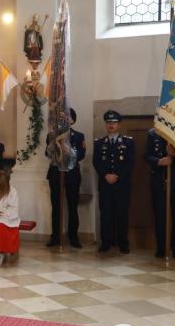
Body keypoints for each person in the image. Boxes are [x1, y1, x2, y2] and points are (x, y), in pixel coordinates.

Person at [145, 128, 175, 259]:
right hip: (159, 182)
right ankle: (161, 248)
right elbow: (147, 155)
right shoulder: (153, 133)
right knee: (160, 216)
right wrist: (159, 161)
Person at [93, 110, 135, 254]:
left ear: (119, 125)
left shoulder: (128, 142)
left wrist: (117, 176)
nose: (111, 125)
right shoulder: (99, 143)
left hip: (122, 185)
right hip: (105, 185)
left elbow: (130, 163)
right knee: (105, 214)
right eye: (108, 122)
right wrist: (106, 175)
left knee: (122, 214)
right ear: (106, 124)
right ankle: (106, 242)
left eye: (114, 122)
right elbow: (96, 162)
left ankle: (123, 243)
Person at [45, 108, 86, 248]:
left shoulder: (79, 136)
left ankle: (73, 237)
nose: (62, 120)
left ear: (72, 120)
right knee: (56, 206)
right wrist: (55, 145)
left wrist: (68, 150)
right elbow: (47, 154)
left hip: (71, 175)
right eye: (60, 118)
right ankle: (55, 236)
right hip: (55, 173)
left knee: (72, 206)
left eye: (66, 117)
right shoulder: (51, 135)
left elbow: (81, 154)